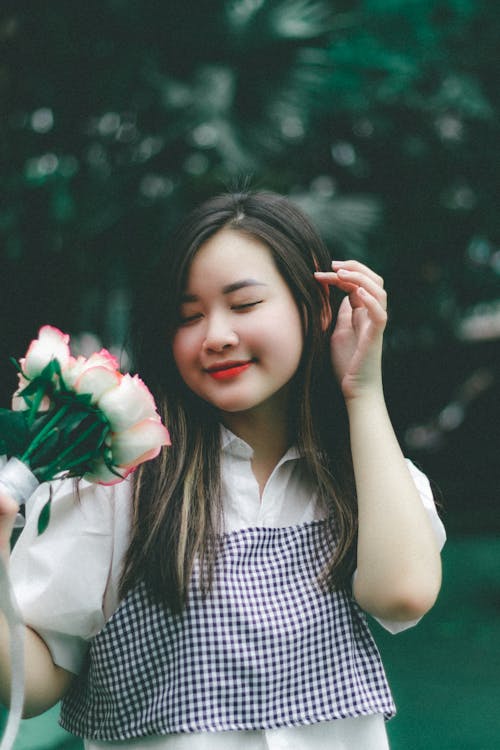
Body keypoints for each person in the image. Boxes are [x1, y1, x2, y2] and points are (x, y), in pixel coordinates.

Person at [0, 191, 445, 749]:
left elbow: (402, 594)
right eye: (189, 316)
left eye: (244, 303)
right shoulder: (117, 486)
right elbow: (33, 684)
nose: (215, 336)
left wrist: (363, 389)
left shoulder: (365, 474)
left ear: (317, 308)